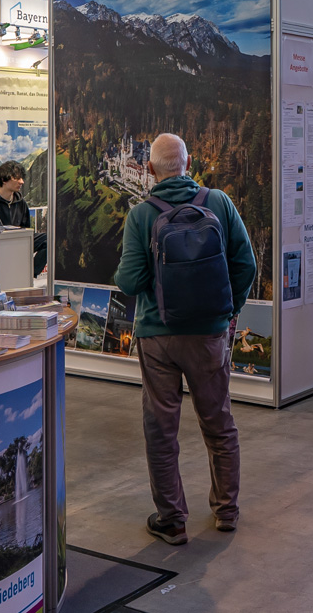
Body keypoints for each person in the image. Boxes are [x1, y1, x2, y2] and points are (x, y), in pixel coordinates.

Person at [113, 133, 256, 545]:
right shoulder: (219, 203)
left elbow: (130, 280)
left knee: (161, 428)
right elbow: (245, 265)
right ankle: (226, 511)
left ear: (152, 170)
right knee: (219, 422)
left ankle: (172, 520)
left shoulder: (142, 215)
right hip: (209, 333)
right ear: (188, 162)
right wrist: (229, 312)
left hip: (158, 337)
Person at [0, 161, 48, 276]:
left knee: (48, 240)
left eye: (22, 178)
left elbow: (26, 229)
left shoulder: (21, 202)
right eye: (17, 178)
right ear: (4, 180)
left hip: (19, 241)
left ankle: (30, 273)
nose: (21, 182)